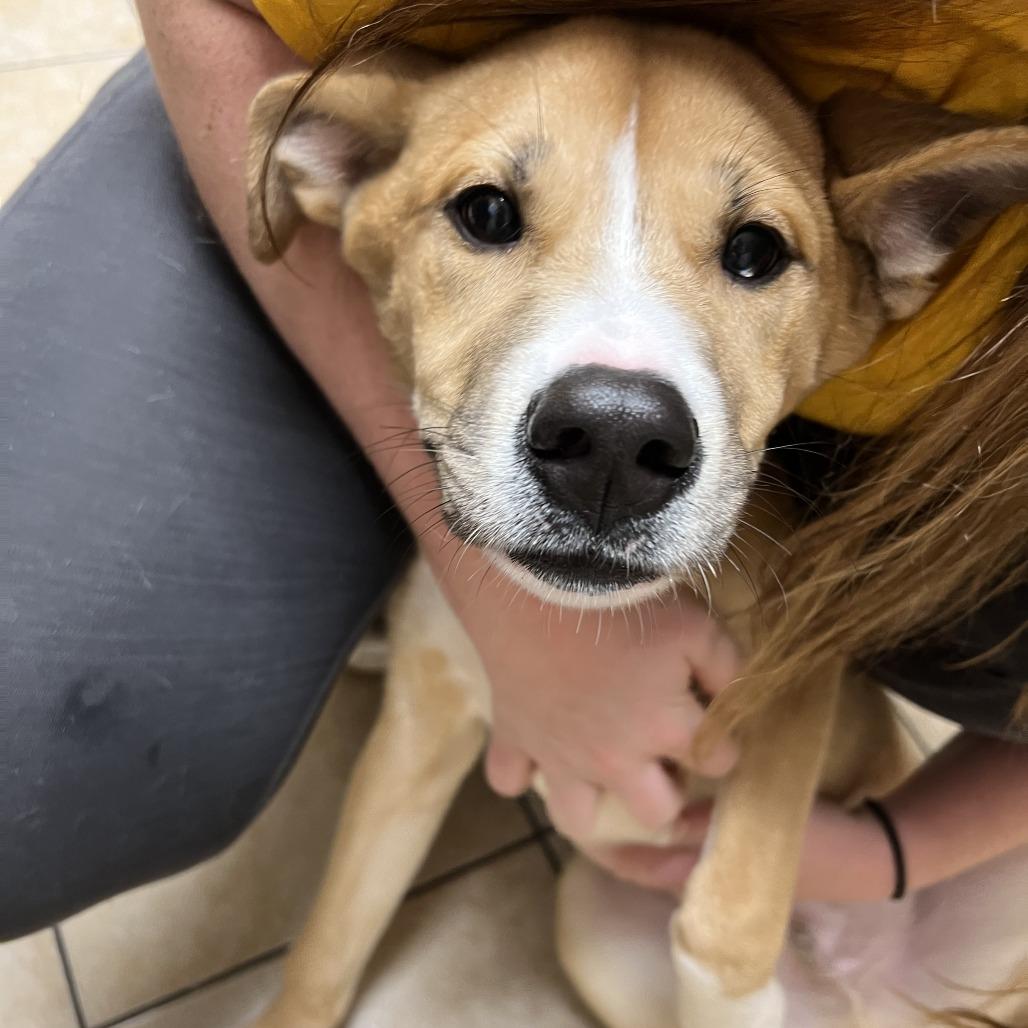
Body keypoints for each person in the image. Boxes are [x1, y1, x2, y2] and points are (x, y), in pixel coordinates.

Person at [3, 0, 1025, 941]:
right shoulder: (364, 140)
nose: (618, 432)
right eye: (491, 212)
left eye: (752, 251)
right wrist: (498, 606)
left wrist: (896, 850)